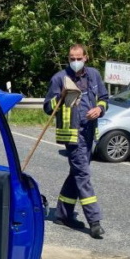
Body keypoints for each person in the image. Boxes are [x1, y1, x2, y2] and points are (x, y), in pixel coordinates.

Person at [44, 44, 109, 239]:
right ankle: (94, 221)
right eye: (71, 58)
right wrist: (61, 98)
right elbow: (48, 107)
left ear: (86, 58)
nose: (74, 61)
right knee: (83, 174)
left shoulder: (94, 75)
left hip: (89, 131)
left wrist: (99, 109)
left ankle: (63, 214)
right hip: (72, 135)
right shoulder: (59, 78)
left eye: (78, 58)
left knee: (76, 173)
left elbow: (104, 98)